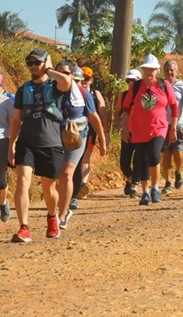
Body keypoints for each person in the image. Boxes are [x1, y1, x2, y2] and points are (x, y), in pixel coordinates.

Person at [8, 49, 72, 242]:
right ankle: (24, 228)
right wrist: (12, 144)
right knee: (22, 182)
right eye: (30, 63)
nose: (33, 67)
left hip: (51, 143)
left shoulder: (55, 86)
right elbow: (16, 120)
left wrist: (50, 69)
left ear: (45, 63)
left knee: (49, 189)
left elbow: (67, 82)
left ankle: (52, 217)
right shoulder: (23, 89)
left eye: (37, 62)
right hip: (27, 142)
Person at [120, 55, 178, 206]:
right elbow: (125, 109)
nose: (149, 72)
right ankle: (145, 192)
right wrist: (124, 127)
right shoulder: (136, 87)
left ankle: (154, 188)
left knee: (153, 155)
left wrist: (173, 128)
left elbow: (174, 107)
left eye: (152, 69)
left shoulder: (164, 85)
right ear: (143, 70)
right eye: (146, 69)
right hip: (139, 129)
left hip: (159, 127)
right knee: (142, 159)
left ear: (157, 70)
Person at [56, 62, 106, 229]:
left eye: (77, 79)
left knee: (67, 173)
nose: (76, 83)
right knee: (56, 177)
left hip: (77, 136)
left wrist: (103, 140)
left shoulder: (84, 94)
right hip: (55, 137)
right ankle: (60, 208)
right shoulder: (50, 92)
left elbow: (94, 117)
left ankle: (62, 214)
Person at [73, 66, 109, 205]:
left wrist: (105, 133)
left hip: (90, 130)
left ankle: (82, 184)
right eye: (81, 78)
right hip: (74, 130)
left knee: (85, 158)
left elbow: (102, 114)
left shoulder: (95, 94)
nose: (84, 81)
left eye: (86, 79)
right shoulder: (69, 91)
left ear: (91, 80)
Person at [116, 69, 144, 198]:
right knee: (124, 163)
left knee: (138, 160)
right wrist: (120, 127)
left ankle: (134, 186)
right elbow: (118, 112)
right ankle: (130, 177)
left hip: (140, 133)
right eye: (129, 80)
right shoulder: (124, 95)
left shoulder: (145, 95)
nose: (131, 83)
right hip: (127, 132)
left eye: (134, 80)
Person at [161, 59, 183, 193]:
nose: (169, 72)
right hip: (163, 125)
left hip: (179, 124)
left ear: (176, 71)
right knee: (166, 154)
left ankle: (179, 171)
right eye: (167, 70)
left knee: (177, 151)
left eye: (172, 70)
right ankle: (167, 182)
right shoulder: (160, 85)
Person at [0, 88, 14, 222]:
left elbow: (12, 126)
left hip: (2, 141)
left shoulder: (8, 102)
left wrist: (12, 147)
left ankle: (3, 203)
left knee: (1, 179)